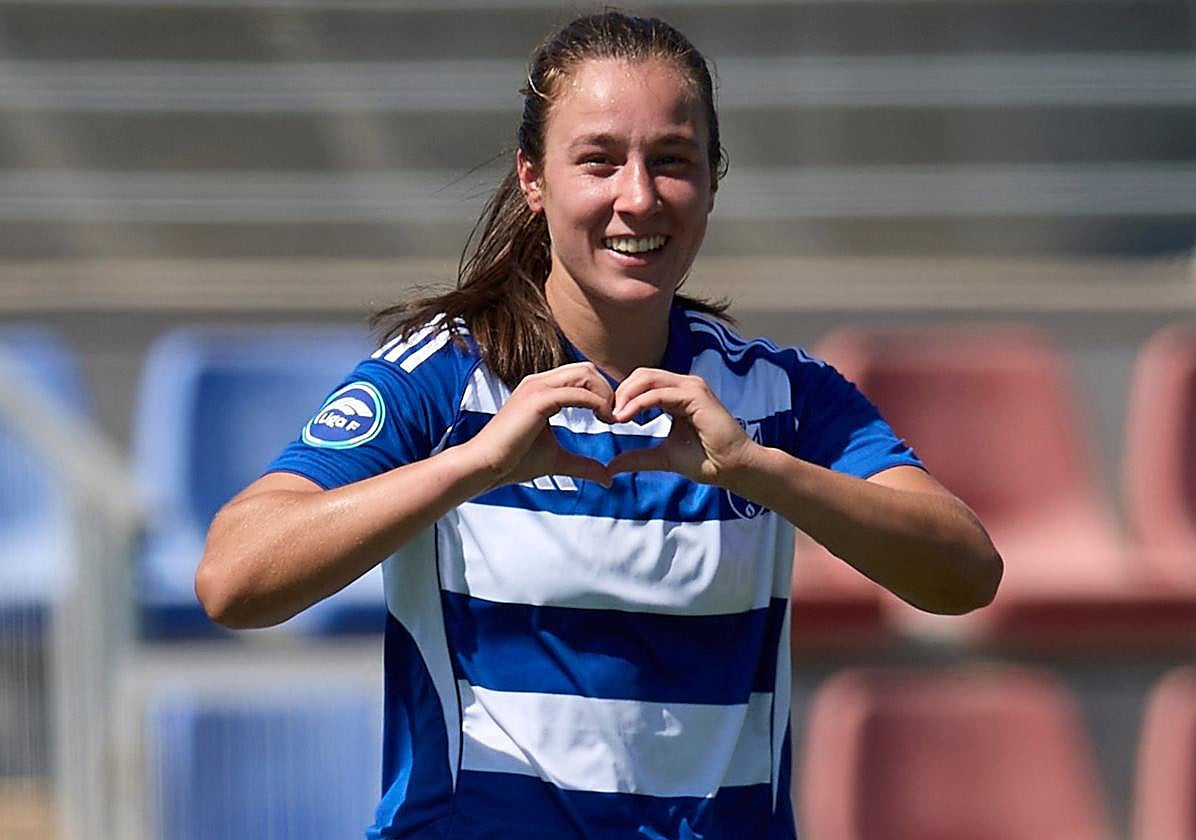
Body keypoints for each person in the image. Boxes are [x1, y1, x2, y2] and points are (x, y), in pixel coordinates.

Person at [196, 10, 1002, 838]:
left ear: (713, 182)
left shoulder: (777, 396)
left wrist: (759, 471)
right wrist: (474, 466)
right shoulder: (439, 380)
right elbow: (233, 578)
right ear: (533, 179)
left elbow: (966, 574)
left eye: (672, 161)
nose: (638, 197)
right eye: (599, 161)